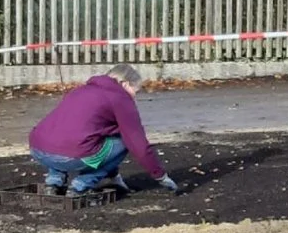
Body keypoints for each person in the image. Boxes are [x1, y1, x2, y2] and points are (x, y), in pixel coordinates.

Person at [29, 65, 185, 200]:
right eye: (134, 90)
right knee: (124, 141)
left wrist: (113, 174)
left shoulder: (80, 90)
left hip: (38, 149)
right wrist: (160, 175)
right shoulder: (120, 99)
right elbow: (138, 144)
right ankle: (80, 186)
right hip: (72, 156)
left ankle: (53, 183)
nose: (134, 96)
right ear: (124, 84)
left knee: (63, 137)